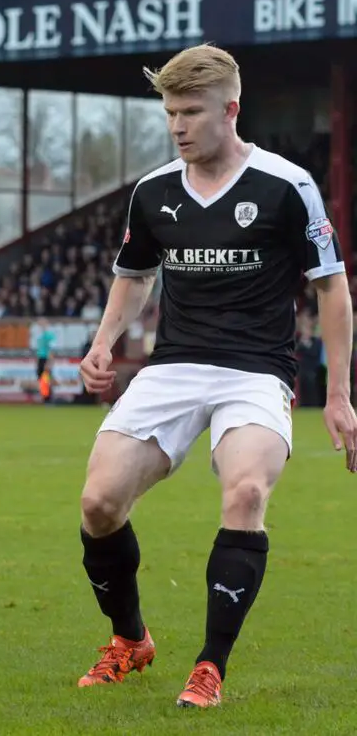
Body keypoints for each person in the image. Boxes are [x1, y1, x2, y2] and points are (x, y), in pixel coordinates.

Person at [75, 43, 356, 708]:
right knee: (98, 503)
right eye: (170, 112)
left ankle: (210, 664)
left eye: (191, 112)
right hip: (173, 366)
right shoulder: (154, 191)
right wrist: (104, 342)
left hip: (255, 371)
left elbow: (333, 289)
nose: (178, 126)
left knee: (246, 490)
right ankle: (130, 638)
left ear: (230, 109)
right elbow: (134, 276)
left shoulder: (286, 185)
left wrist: (340, 394)